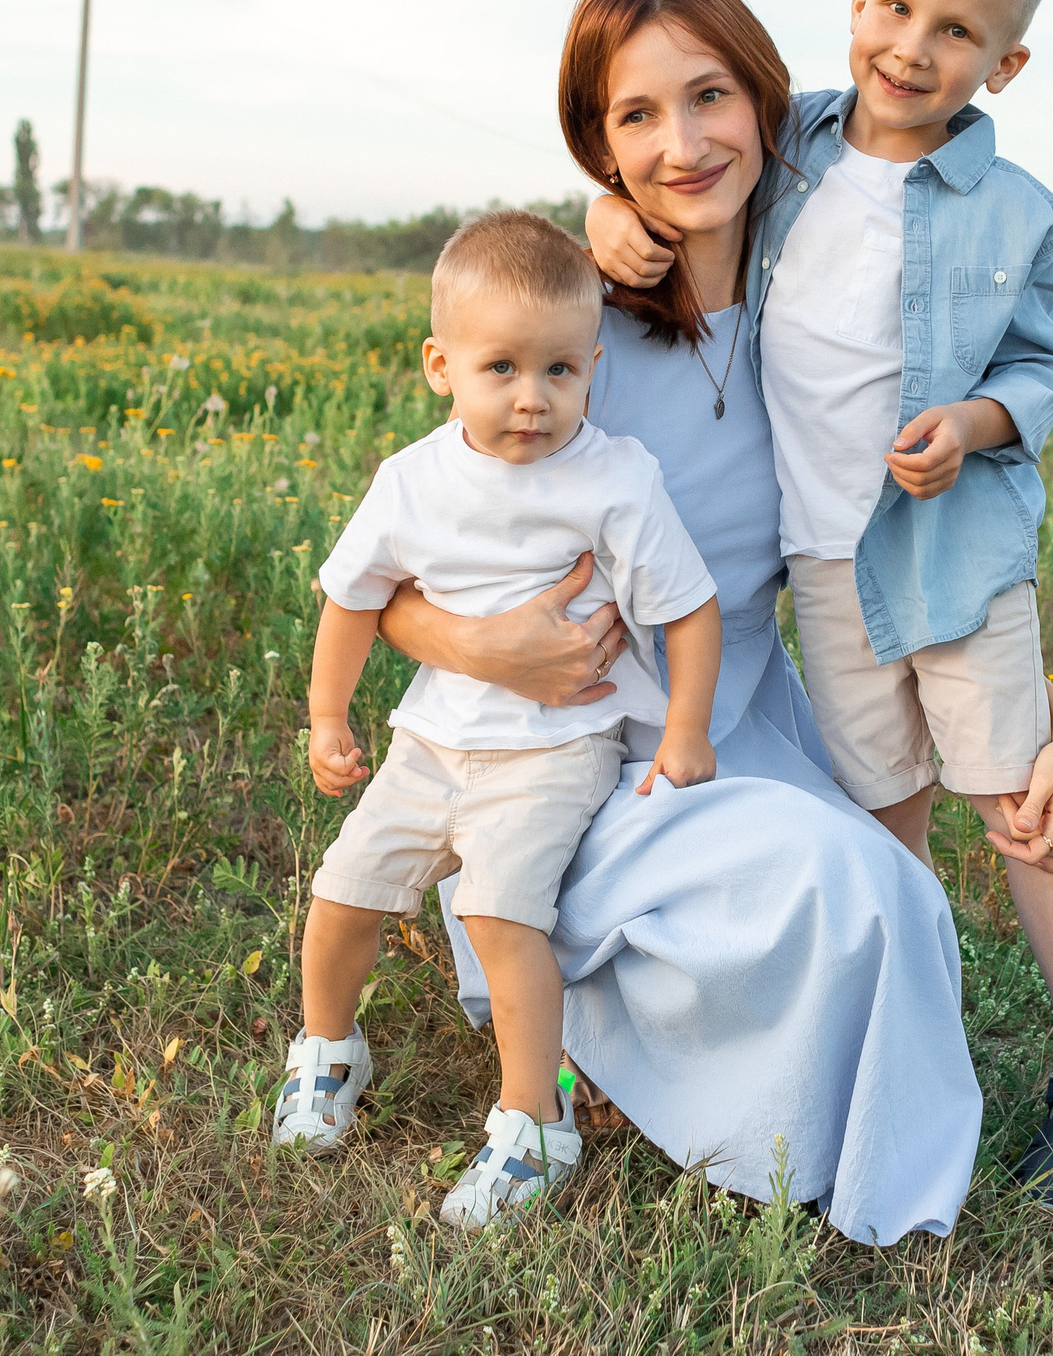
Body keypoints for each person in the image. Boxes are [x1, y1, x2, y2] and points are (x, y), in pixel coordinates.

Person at [370, 0, 1053, 1244]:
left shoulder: (810, 307)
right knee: (850, 883)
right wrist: (482, 643)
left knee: (883, 894)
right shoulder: (566, 331)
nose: (682, 145)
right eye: (635, 117)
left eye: (709, 96)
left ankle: (744, 1076)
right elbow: (394, 577)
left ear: (769, 103)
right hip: (570, 750)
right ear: (598, 144)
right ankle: (601, 1044)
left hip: (736, 723)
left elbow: (898, 555)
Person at [585, 0, 1053, 1216]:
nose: (911, 47)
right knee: (883, 818)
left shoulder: (1016, 212)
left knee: (1019, 803)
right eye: (893, 9)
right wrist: (602, 209)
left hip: (947, 548)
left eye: (956, 32)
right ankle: (919, 1040)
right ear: (855, 3)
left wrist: (973, 422)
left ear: (1005, 64)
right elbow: (669, 150)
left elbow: (1040, 367)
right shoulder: (795, 151)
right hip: (823, 568)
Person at [275, 209, 725, 1230]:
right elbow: (352, 597)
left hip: (555, 749)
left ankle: (535, 1121)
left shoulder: (614, 478)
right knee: (342, 891)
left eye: (560, 370)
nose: (533, 397)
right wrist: (326, 714)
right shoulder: (412, 480)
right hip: (431, 743)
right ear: (441, 366)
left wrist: (685, 730)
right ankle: (328, 1051)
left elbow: (690, 608)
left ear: (593, 368)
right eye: (502, 368)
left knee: (499, 915)